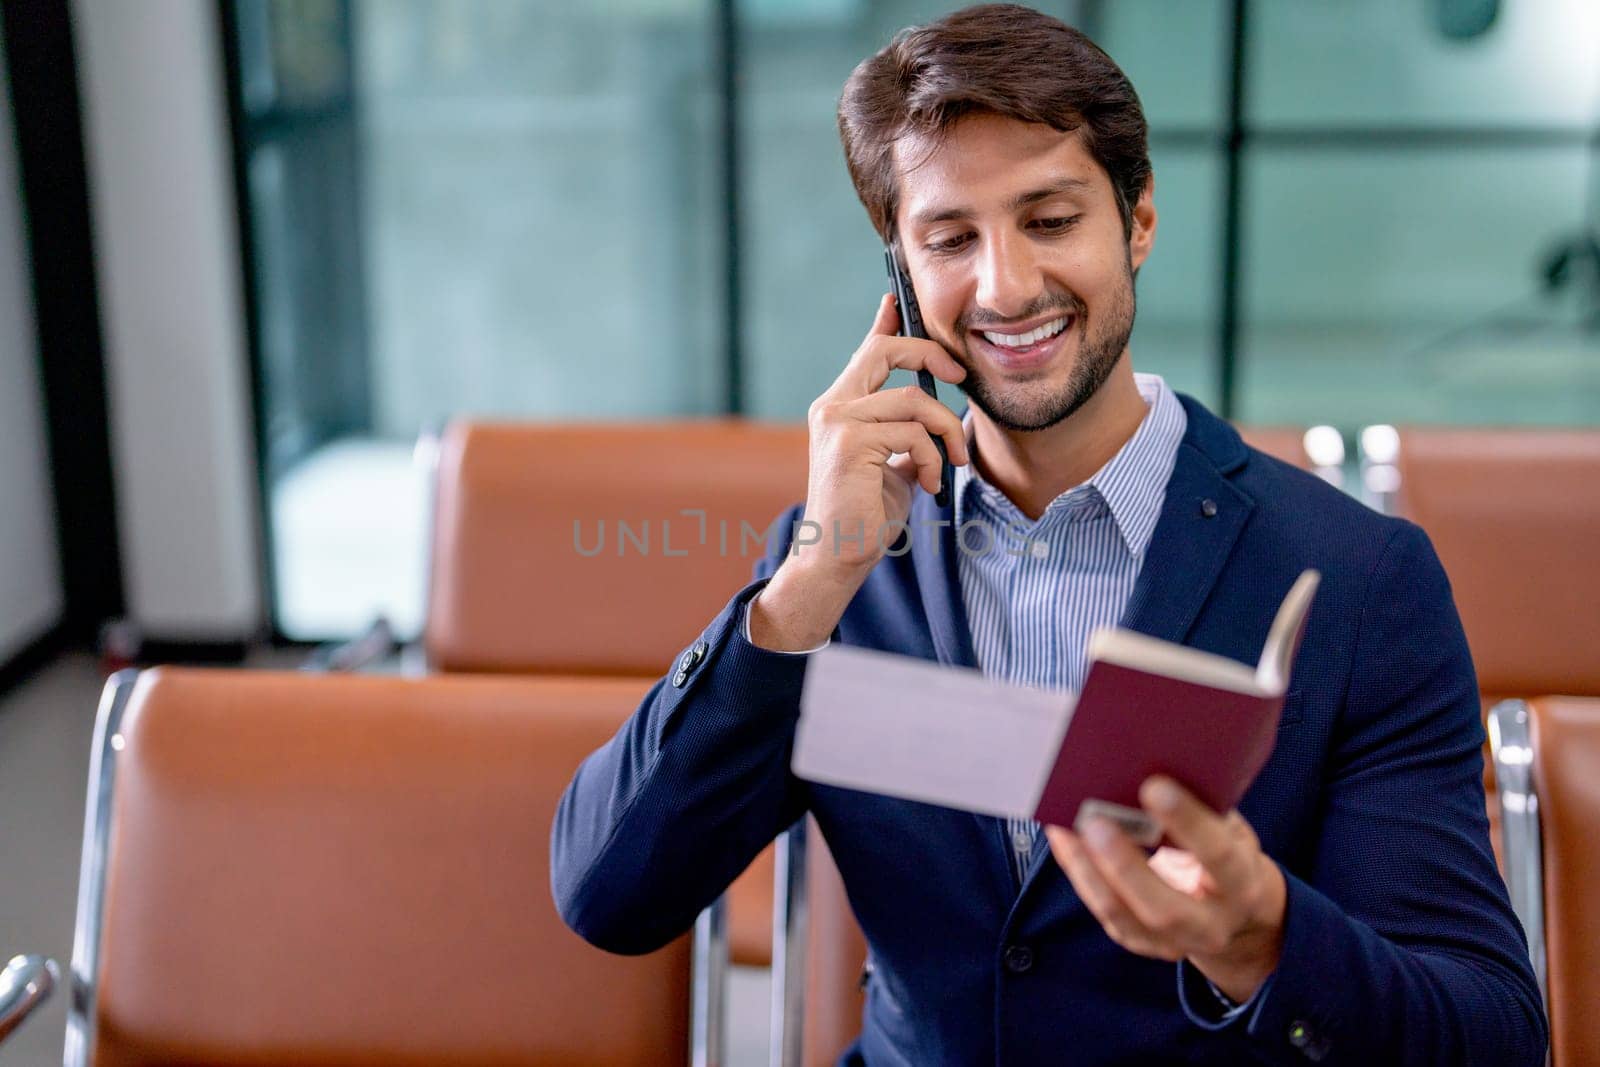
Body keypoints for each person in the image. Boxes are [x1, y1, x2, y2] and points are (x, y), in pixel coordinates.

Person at [550, 5, 1546, 1064]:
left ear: (1139, 220)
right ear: (898, 274)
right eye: (948, 239)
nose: (1006, 285)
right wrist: (805, 584)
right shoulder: (842, 565)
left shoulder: (1354, 578)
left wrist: (1263, 938)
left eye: (1050, 219)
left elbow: (1486, 1032)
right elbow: (610, 893)